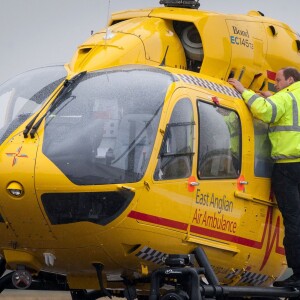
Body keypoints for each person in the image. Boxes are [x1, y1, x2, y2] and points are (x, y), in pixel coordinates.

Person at [228, 67, 300, 288]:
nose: (275, 84)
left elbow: (266, 112)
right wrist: (275, 97)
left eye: (278, 80)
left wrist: (243, 91)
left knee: (293, 221)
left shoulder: (286, 97)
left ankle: (298, 273)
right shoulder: (291, 96)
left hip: (287, 166)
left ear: (289, 80)